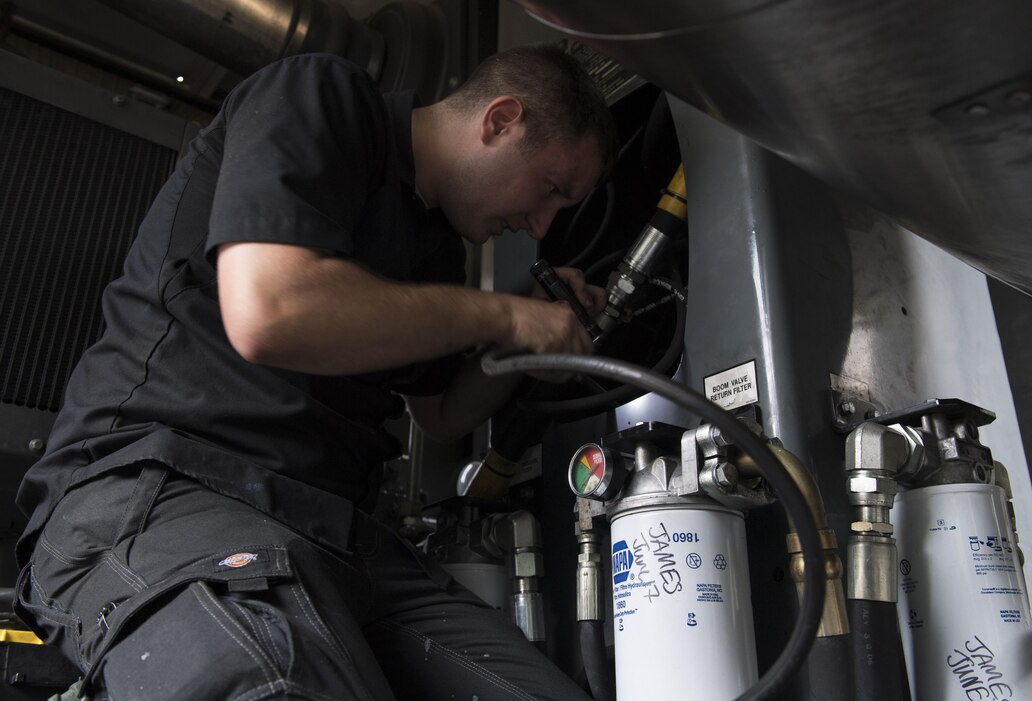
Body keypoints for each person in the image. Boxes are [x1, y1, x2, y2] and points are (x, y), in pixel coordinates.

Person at [14, 43, 616, 700]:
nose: (540, 222)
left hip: (339, 536)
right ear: (500, 120)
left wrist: (530, 335)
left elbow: (443, 411)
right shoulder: (322, 95)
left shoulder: (437, 251)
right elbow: (269, 309)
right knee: (272, 686)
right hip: (171, 484)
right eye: (551, 190)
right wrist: (503, 316)